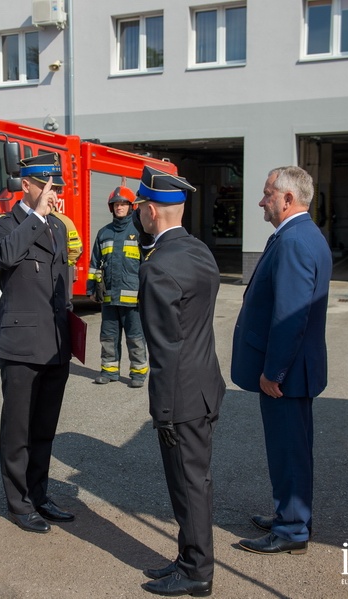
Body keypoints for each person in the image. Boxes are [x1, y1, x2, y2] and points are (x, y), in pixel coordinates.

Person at [231, 166, 332, 556]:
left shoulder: (294, 241)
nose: (261, 201)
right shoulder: (300, 234)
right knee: (292, 449)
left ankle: (292, 530)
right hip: (294, 370)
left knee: (288, 450)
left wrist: (274, 372)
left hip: (286, 375)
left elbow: (291, 316)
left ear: (288, 199)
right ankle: (291, 514)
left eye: (267, 193)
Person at [134, 166, 225, 598]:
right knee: (195, 481)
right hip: (205, 384)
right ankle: (189, 556)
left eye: (139, 208)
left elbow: (164, 349)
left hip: (181, 396)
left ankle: (197, 572)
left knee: (188, 485)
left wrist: (163, 411)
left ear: (151, 211)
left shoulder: (157, 269)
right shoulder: (199, 251)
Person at [0, 153, 74, 534]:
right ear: (28, 185)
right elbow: (6, 256)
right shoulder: (2, 225)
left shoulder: (58, 226)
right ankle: (19, 502)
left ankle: (39, 494)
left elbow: (61, 283)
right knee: (18, 429)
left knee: (44, 428)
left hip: (55, 342)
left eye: (57, 187)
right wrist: (36, 214)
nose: (54, 193)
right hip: (21, 343)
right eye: (47, 185)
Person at [87, 186, 148, 388]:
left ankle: (138, 373)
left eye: (123, 204)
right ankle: (109, 370)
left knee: (135, 337)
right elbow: (94, 264)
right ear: (111, 207)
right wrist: (90, 288)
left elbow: (148, 266)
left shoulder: (140, 232)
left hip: (134, 299)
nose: (119, 207)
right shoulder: (104, 233)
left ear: (131, 207)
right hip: (109, 296)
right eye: (116, 204)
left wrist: (147, 293)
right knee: (108, 336)